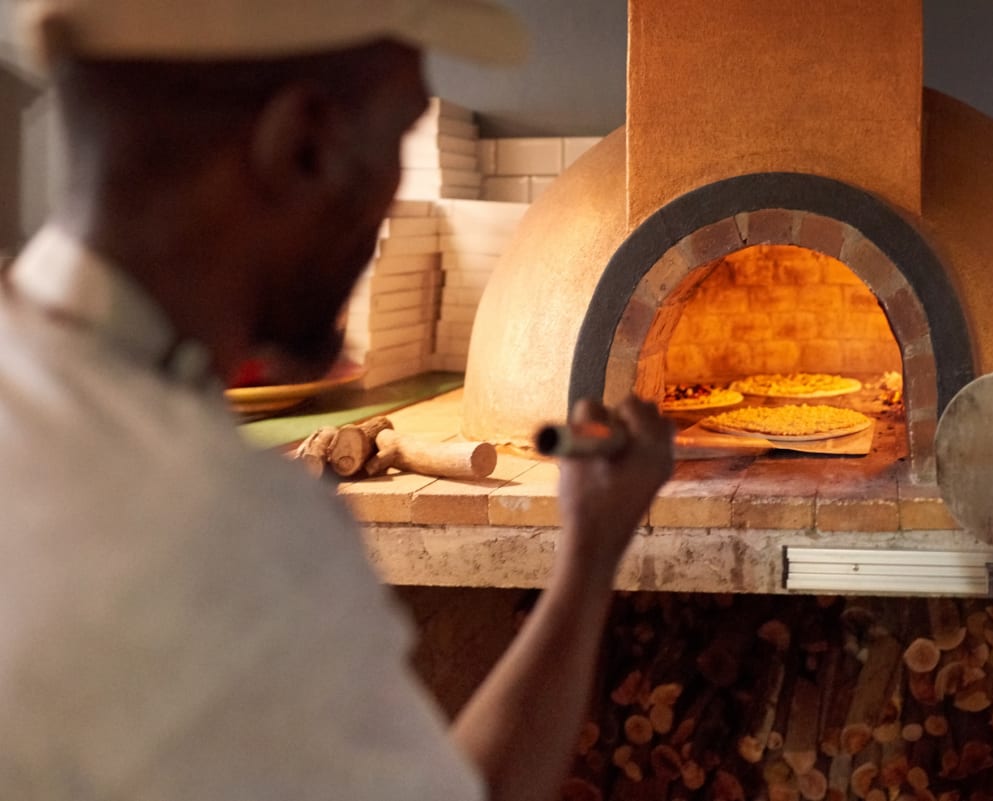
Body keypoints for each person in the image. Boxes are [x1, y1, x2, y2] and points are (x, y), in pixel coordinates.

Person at [0, 1, 676, 799]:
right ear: (306, 145)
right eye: (398, 132)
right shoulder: (230, 532)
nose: (394, 184)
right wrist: (593, 550)